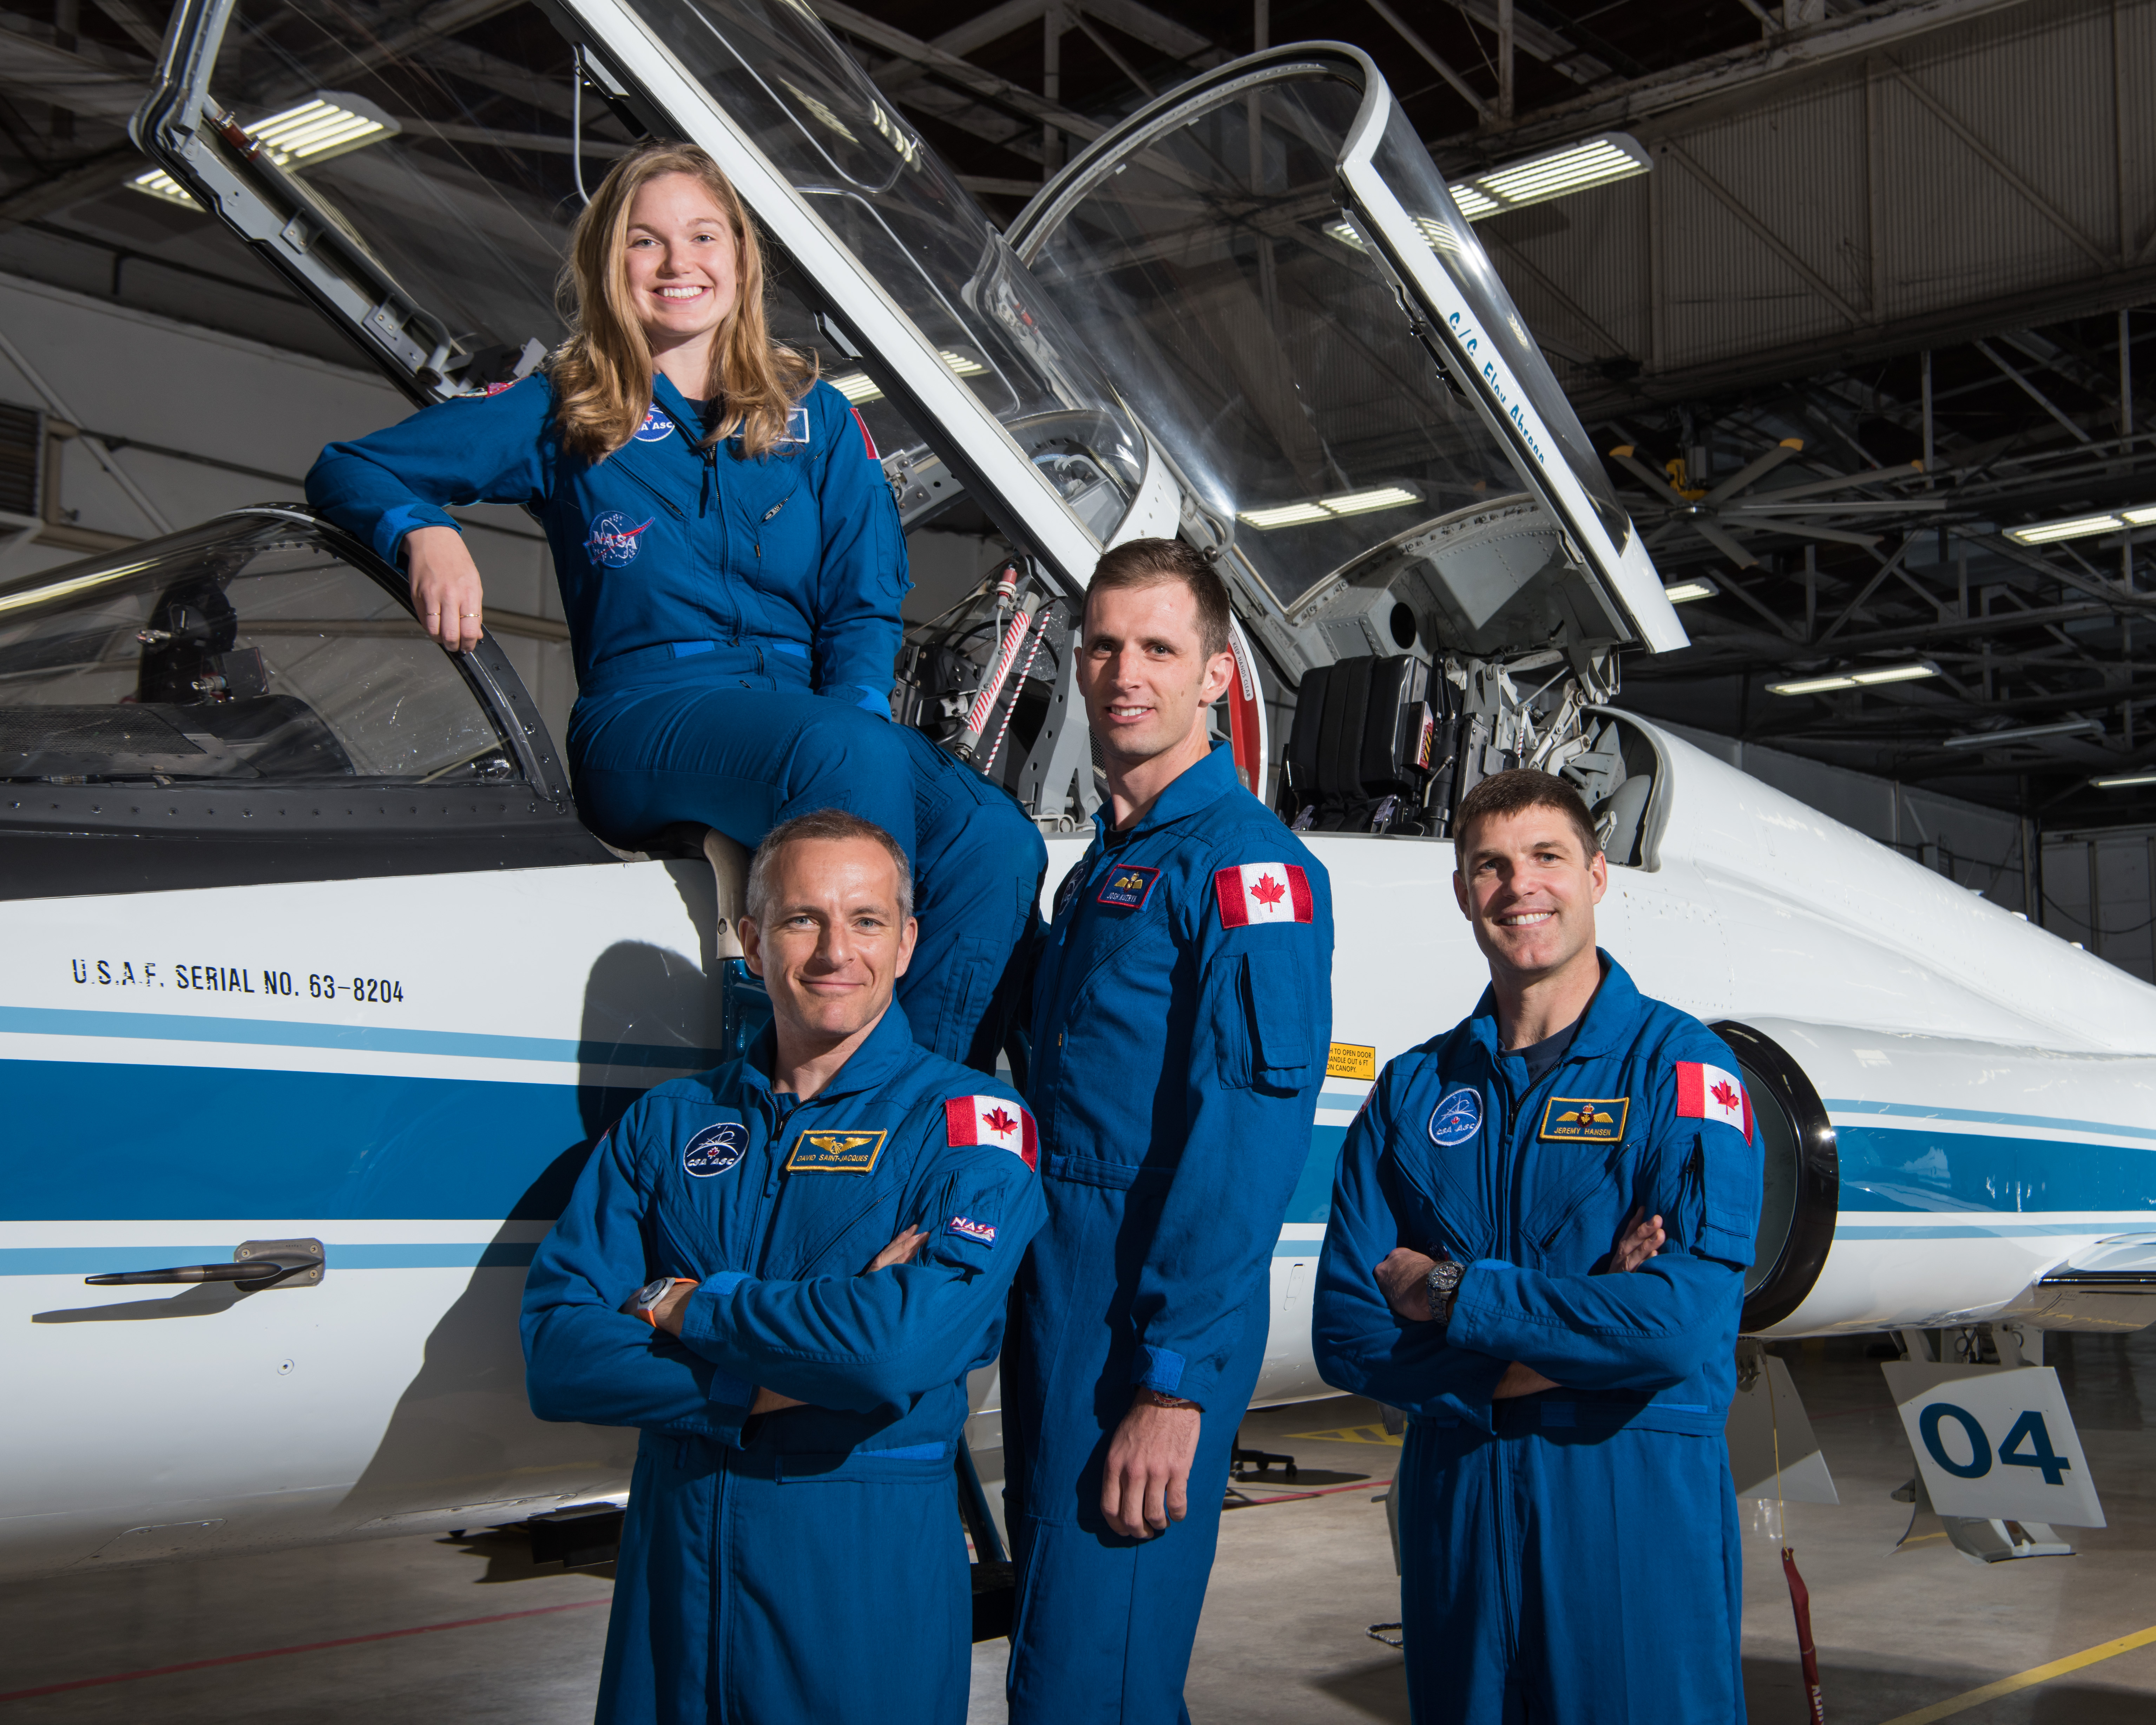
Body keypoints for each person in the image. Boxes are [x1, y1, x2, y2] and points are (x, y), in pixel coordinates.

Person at [305, 141, 1042, 1069]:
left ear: (739, 256)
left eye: (701, 236)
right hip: (645, 718)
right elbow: (351, 466)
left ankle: (916, 1108)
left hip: (808, 725)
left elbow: (862, 606)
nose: (676, 264)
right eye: (644, 242)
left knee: (995, 841)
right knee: (846, 752)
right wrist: (421, 529)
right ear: (608, 264)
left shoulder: (816, 418)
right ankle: (839, 1090)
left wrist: (859, 732)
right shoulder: (566, 407)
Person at [522, 809, 1046, 1724]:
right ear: (754, 940)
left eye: (867, 920)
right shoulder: (668, 1123)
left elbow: (891, 1352)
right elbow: (559, 1356)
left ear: (906, 943)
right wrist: (775, 1376)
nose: (836, 952)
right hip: (673, 1592)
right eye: (804, 919)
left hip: (856, 1592)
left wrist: (688, 1307)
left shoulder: (967, 1129)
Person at [1311, 767, 1764, 1725]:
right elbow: (1348, 1334)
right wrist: (1576, 1341)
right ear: (1462, 891)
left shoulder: (1682, 1072)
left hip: (1628, 1503)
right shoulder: (1413, 1091)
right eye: (1492, 865)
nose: (1520, 887)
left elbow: (1673, 1329)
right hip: (1459, 1508)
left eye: (1547, 857)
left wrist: (1450, 1293)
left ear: (1596, 876)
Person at [1000, 538, 1334, 1724]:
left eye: (1157, 647)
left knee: (1093, 1676)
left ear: (1214, 675)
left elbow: (1242, 1145)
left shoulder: (1247, 870)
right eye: (1102, 647)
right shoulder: (1106, 866)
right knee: (1066, 1649)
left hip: (1141, 1316)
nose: (1124, 673)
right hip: (1062, 1293)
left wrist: (1173, 1388)